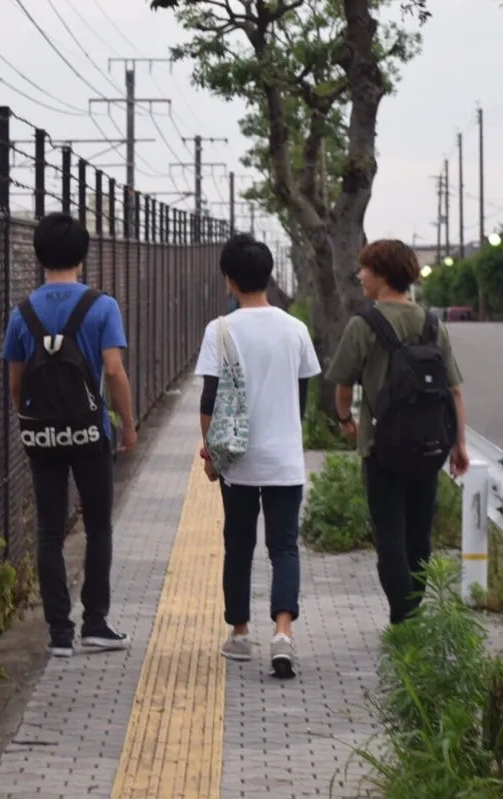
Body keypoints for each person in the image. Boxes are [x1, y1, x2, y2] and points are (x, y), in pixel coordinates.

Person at [2, 212, 137, 657]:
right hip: (88, 432)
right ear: (83, 255)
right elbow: (113, 371)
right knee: (98, 526)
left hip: (42, 435)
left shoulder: (22, 312)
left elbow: (16, 381)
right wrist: (128, 425)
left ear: (40, 255)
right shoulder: (101, 306)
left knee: (49, 531)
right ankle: (95, 624)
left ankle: (59, 633)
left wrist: (29, 418)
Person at [195, 233, 321, 679]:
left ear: (229, 280)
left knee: (239, 545)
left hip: (238, 460)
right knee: (284, 546)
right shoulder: (295, 329)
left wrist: (211, 455)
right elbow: (302, 397)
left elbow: (209, 400)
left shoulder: (220, 330)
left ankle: (240, 633)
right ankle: (283, 633)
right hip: (284, 458)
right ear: (268, 275)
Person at [325, 239, 469, 626]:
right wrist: (460, 445)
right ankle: (414, 612)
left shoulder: (364, 324)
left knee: (390, 535)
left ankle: (403, 619)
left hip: (381, 447)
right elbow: (454, 390)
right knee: (420, 535)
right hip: (429, 445)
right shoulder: (432, 324)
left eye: (365, 270)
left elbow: (343, 386)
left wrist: (345, 420)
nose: (360, 276)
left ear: (383, 275)